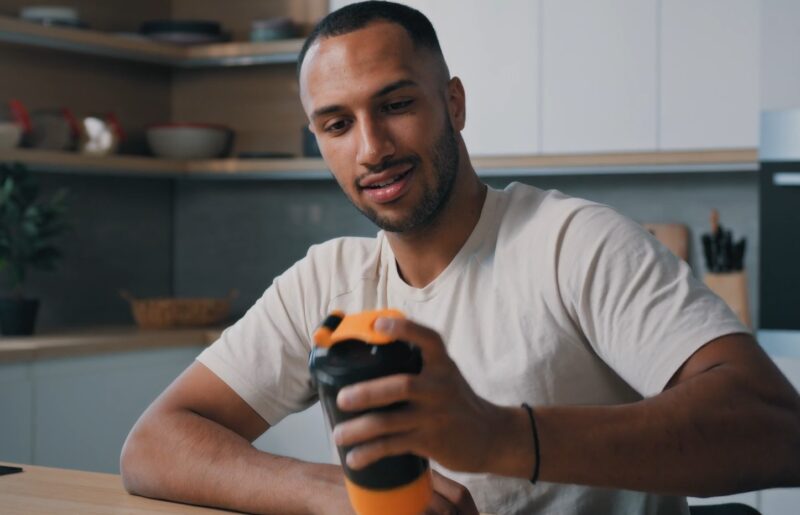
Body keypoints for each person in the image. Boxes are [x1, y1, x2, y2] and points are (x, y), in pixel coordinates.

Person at [120, 2, 800, 514]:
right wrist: (330, 491)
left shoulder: (574, 242)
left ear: (454, 103)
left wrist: (502, 436)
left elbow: (777, 427)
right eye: (338, 123)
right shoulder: (326, 281)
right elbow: (152, 445)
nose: (372, 147)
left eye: (396, 104)